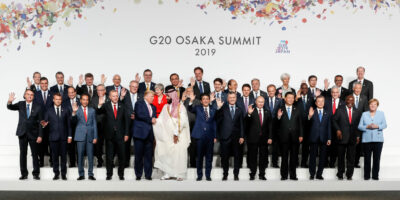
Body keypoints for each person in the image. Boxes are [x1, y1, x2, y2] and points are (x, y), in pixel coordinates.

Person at [153, 88, 191, 181]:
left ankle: (179, 174)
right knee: (167, 153)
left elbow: (183, 121)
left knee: (179, 154)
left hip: (179, 135)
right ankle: (168, 173)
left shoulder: (180, 107)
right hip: (167, 135)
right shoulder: (165, 107)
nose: (167, 98)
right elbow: (161, 120)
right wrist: (155, 121)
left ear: (173, 96)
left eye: (168, 96)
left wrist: (176, 133)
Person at [7, 89, 43, 180]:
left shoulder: (38, 106)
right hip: (22, 133)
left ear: (33, 96)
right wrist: (10, 101)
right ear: (25, 95)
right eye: (28, 94)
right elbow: (10, 107)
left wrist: (40, 135)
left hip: (34, 134)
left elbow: (41, 123)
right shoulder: (20, 104)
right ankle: (24, 174)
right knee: (23, 154)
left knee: (35, 154)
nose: (30, 96)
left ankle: (36, 173)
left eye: (31, 94)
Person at [97, 90, 130, 180]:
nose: (115, 98)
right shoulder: (106, 105)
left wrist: (126, 133)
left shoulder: (122, 106)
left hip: (121, 135)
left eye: (116, 96)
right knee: (109, 156)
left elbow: (127, 121)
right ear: (110, 97)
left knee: (121, 156)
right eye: (113, 96)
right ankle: (109, 174)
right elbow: (99, 111)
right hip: (109, 135)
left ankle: (121, 174)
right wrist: (100, 104)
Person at [41, 93, 72, 180]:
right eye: (56, 99)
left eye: (59, 99)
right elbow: (45, 122)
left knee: (63, 157)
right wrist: (44, 124)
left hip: (63, 137)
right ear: (53, 100)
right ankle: (56, 174)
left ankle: (63, 174)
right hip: (53, 137)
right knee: (54, 157)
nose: (58, 101)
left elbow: (69, 125)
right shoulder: (49, 110)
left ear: (61, 100)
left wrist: (70, 136)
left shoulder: (66, 110)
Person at [188, 93, 217, 181]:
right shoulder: (198, 108)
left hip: (210, 136)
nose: (205, 100)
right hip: (199, 136)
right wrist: (191, 101)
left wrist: (215, 136)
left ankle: (208, 175)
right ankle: (199, 175)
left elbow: (214, 123)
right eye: (203, 99)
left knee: (209, 157)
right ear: (201, 101)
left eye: (207, 99)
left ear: (209, 100)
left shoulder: (213, 109)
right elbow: (190, 109)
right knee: (199, 157)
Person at [216, 92, 245, 181]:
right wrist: (218, 108)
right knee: (224, 157)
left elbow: (241, 124)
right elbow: (217, 120)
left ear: (236, 99)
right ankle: (225, 174)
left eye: (233, 97)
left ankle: (236, 174)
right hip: (225, 136)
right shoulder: (222, 108)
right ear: (227, 99)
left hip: (236, 137)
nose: (232, 99)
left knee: (237, 156)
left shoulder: (239, 109)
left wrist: (242, 136)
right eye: (230, 97)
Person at [332, 95, 362, 180]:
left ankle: (349, 175)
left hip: (352, 138)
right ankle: (340, 174)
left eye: (352, 100)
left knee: (351, 157)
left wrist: (358, 136)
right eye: (348, 100)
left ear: (354, 102)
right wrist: (337, 130)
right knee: (341, 157)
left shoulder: (357, 111)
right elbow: (333, 120)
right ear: (345, 101)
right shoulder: (340, 110)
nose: (350, 102)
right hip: (341, 137)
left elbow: (358, 125)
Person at [276, 92, 303, 180]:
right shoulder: (280, 109)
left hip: (295, 137)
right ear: (285, 98)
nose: (291, 99)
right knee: (284, 157)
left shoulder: (297, 109)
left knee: (294, 157)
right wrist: (278, 117)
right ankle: (284, 175)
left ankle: (293, 175)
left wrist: (301, 135)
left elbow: (300, 124)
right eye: (289, 97)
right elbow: (275, 124)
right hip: (284, 137)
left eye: (292, 98)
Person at [358, 99, 387, 180]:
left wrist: (377, 126)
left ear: (377, 105)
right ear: (369, 105)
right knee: (367, 159)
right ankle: (366, 176)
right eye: (371, 104)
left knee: (376, 159)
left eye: (374, 104)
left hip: (378, 140)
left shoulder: (381, 114)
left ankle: (375, 176)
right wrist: (367, 127)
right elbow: (359, 126)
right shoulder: (364, 114)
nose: (373, 106)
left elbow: (385, 125)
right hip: (366, 140)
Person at [71, 94, 98, 180]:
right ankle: (81, 174)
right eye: (83, 99)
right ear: (81, 100)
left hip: (90, 135)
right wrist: (74, 113)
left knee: (90, 156)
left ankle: (90, 174)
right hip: (80, 135)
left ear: (88, 101)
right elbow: (73, 122)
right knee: (80, 155)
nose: (85, 101)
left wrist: (95, 137)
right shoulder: (77, 110)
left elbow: (94, 124)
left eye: (87, 100)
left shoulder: (92, 110)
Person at [246, 96, 272, 180]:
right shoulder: (251, 111)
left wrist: (270, 137)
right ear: (255, 102)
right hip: (253, 138)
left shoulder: (267, 112)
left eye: (262, 102)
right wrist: (249, 114)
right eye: (259, 101)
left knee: (263, 157)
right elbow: (246, 123)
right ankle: (252, 173)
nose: (261, 103)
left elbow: (270, 126)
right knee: (252, 157)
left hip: (264, 139)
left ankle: (262, 174)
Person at [133, 90, 157, 180]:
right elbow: (139, 115)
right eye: (151, 96)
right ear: (146, 96)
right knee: (138, 156)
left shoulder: (153, 107)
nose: (153, 98)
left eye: (153, 97)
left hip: (149, 135)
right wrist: (150, 119)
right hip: (139, 134)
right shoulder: (139, 104)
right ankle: (138, 175)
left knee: (148, 157)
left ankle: (148, 175)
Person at [307, 96, 331, 180]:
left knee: (322, 157)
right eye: (318, 101)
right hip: (314, 137)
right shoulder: (312, 112)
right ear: (316, 103)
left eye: (322, 101)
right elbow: (307, 125)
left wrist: (329, 138)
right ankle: (312, 174)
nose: (320, 103)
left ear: (324, 103)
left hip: (324, 137)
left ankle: (319, 174)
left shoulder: (327, 113)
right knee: (312, 157)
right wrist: (309, 117)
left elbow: (329, 126)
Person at [121, 80, 143, 168]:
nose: (134, 88)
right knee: (126, 144)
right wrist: (121, 97)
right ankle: (126, 163)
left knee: (139, 144)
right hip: (126, 123)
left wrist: (137, 115)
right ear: (129, 87)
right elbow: (119, 105)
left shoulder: (141, 96)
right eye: (133, 86)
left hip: (138, 123)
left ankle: (139, 164)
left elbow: (143, 108)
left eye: (136, 87)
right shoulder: (124, 95)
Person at [34, 77, 53, 167]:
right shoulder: (35, 94)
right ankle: (40, 162)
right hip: (39, 123)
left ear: (47, 83)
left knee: (51, 142)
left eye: (46, 83)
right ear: (40, 84)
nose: (44, 85)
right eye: (42, 83)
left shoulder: (52, 94)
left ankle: (52, 161)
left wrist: (48, 120)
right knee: (40, 143)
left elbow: (54, 108)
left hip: (51, 123)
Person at [324, 86, 345, 168]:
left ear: (339, 94)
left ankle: (332, 163)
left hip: (338, 128)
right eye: (333, 92)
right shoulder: (326, 101)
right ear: (331, 93)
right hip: (327, 127)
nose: (335, 94)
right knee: (326, 146)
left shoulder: (343, 103)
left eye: (336, 92)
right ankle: (325, 162)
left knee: (335, 147)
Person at [90, 84, 108, 168]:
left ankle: (109, 161)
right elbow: (93, 112)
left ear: (105, 91)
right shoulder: (93, 99)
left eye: (101, 90)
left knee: (109, 144)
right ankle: (99, 161)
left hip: (108, 125)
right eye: (98, 90)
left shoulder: (109, 98)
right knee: (98, 145)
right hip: (97, 125)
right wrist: (99, 106)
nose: (99, 92)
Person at [182, 87, 201, 168]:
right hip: (184, 127)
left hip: (194, 127)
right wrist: (182, 101)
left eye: (191, 91)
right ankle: (183, 164)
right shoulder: (183, 101)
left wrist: (191, 101)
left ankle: (193, 164)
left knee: (193, 146)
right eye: (187, 91)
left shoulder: (198, 102)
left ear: (194, 93)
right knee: (184, 146)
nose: (189, 93)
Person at [295, 83, 313, 168]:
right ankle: (295, 162)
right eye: (303, 88)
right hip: (297, 125)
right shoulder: (297, 98)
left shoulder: (311, 98)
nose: (305, 89)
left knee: (306, 146)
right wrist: (296, 99)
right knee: (296, 145)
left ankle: (303, 162)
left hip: (308, 125)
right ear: (300, 89)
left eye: (306, 88)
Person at [352, 82, 369, 168]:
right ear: (353, 88)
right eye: (356, 88)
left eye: (359, 88)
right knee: (350, 144)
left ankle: (356, 162)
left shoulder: (364, 98)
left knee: (358, 145)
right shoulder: (348, 97)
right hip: (350, 124)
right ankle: (350, 162)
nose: (358, 90)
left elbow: (366, 111)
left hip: (360, 124)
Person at [265, 84, 283, 168]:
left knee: (275, 145)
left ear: (275, 91)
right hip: (265, 126)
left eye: (272, 91)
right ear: (267, 91)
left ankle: (274, 162)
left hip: (276, 126)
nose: (271, 92)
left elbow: (281, 112)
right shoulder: (264, 100)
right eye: (269, 91)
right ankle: (265, 162)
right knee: (264, 145)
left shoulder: (280, 100)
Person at [62, 87, 80, 168]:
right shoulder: (64, 102)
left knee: (80, 147)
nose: (71, 94)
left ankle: (80, 163)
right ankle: (72, 163)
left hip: (79, 127)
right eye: (69, 92)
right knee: (71, 146)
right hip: (69, 127)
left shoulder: (81, 101)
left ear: (75, 92)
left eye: (72, 92)